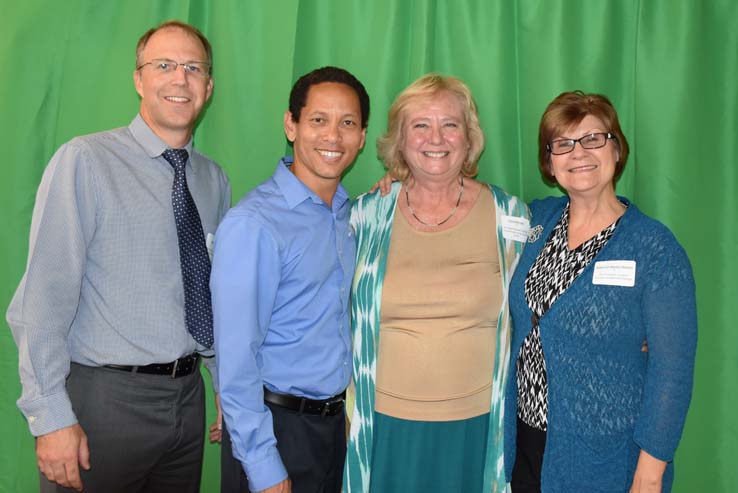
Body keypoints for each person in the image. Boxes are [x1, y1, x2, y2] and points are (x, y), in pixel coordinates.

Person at [6, 20, 230, 493]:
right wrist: (50, 417)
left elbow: (211, 294)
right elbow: (43, 299)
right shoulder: (84, 161)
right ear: (138, 79)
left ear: (208, 87)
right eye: (164, 65)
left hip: (187, 405)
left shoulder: (214, 181)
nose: (179, 79)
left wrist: (223, 385)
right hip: (104, 403)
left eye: (193, 68)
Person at [503, 91, 697, 493]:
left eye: (593, 138)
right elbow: (462, 202)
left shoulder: (653, 247)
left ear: (616, 148)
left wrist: (652, 468)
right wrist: (400, 183)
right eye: (563, 143)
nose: (579, 153)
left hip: (608, 458)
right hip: (526, 444)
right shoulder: (534, 220)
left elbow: (672, 369)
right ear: (549, 161)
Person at [344, 74, 529, 493]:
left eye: (450, 124)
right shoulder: (366, 215)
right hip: (384, 426)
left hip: (477, 427)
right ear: (400, 140)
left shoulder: (509, 216)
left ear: (469, 139)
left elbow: (541, 293)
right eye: (420, 125)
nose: (436, 138)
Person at [211, 66, 369, 493]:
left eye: (347, 123)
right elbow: (235, 355)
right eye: (318, 120)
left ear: (363, 137)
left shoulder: (348, 215)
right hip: (277, 432)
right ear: (291, 125)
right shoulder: (255, 223)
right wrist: (262, 463)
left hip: (334, 430)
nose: (333, 137)